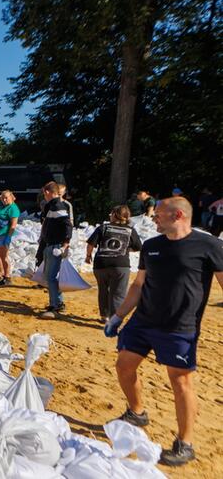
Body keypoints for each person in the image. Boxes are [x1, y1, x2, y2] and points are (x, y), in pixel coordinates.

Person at [104, 197, 223, 467]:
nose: (154, 218)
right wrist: (118, 316)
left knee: (180, 383)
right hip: (143, 321)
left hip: (180, 327)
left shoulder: (209, 246)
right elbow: (138, 284)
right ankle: (137, 412)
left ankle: (185, 443)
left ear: (177, 215)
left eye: (159, 215)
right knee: (124, 366)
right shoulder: (151, 245)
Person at [86, 205, 143, 321]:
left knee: (103, 290)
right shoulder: (130, 230)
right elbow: (138, 247)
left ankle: (104, 316)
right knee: (118, 293)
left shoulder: (103, 228)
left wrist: (88, 256)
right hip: (120, 266)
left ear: (114, 215)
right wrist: (126, 249)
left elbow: (91, 244)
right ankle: (114, 319)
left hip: (101, 264)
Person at [37, 182, 73, 319]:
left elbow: (68, 226)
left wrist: (64, 245)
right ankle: (56, 303)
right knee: (49, 276)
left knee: (51, 277)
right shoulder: (51, 206)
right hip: (50, 244)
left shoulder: (57, 206)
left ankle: (56, 305)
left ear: (47, 192)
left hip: (55, 245)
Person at [0, 190, 20, 286]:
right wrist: (2, 195)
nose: (4, 200)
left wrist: (8, 237)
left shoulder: (13, 208)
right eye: (3, 198)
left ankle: (7, 276)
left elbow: (13, 224)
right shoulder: (2, 205)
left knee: (4, 257)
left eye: (6, 198)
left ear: (11, 197)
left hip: (4, 235)